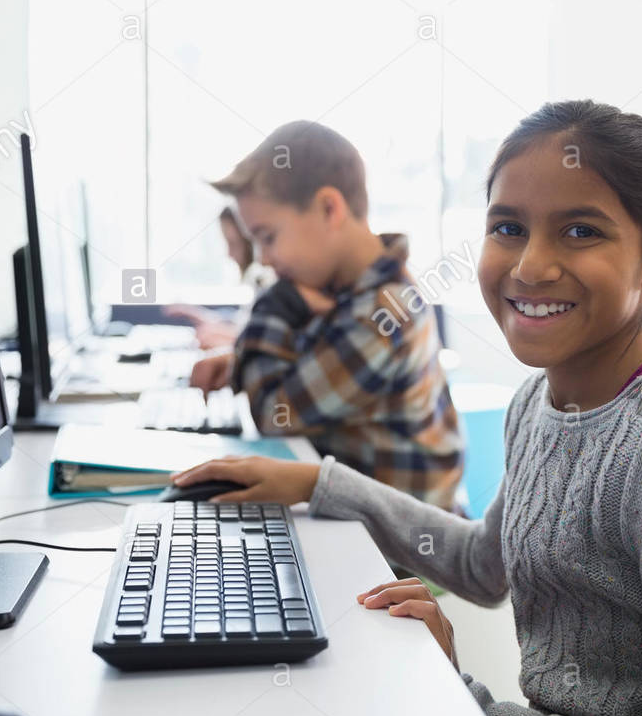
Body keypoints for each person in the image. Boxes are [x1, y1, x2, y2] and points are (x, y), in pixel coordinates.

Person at [173, 101, 642, 716]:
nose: (530, 266)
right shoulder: (540, 400)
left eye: (581, 231)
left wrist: (465, 699)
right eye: (508, 229)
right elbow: (482, 563)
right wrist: (317, 482)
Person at [187, 120, 464, 510]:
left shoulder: (385, 313)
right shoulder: (351, 291)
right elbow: (309, 365)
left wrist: (280, 301)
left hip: (402, 555)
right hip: (362, 529)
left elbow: (273, 413)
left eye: (268, 237)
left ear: (329, 208)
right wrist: (238, 365)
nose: (264, 259)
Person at [165, 207, 275, 349]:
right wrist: (204, 317)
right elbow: (244, 319)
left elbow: (264, 336)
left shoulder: (269, 281)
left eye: (233, 243)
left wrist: (234, 342)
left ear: (251, 243)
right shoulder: (256, 282)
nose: (229, 253)